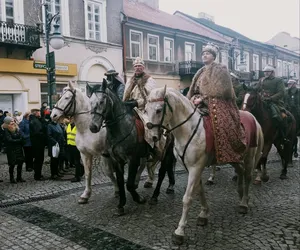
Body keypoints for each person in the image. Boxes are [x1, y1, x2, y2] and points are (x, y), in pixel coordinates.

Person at [187, 44, 246, 164]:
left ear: (213, 57)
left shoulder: (221, 69)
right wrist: (193, 98)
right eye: (203, 54)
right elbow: (194, 89)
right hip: (198, 100)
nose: (204, 55)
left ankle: (228, 150)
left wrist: (203, 99)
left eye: (207, 54)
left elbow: (221, 90)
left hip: (218, 101)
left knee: (222, 122)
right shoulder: (200, 71)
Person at [254, 65, 288, 141]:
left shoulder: (278, 80)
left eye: (267, 72)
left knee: (280, 116)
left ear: (272, 72)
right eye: (265, 72)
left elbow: (281, 92)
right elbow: (256, 89)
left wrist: (271, 98)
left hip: (275, 102)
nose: (266, 73)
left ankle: (282, 134)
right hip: (262, 101)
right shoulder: (261, 80)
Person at [2, 117, 25, 183]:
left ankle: (19, 177)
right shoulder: (6, 130)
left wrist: (19, 139)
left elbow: (21, 136)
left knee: (20, 163)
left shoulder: (17, 128)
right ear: (7, 123)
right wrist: (19, 140)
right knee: (12, 164)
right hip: (11, 150)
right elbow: (9, 140)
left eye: (13, 121)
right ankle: (11, 178)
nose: (13, 122)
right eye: (11, 121)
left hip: (19, 148)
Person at [29, 108, 47, 180]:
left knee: (39, 159)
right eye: (38, 112)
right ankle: (37, 175)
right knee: (39, 159)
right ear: (35, 113)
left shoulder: (36, 120)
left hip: (38, 143)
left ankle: (38, 174)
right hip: (38, 143)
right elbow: (38, 132)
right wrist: (44, 135)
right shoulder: (34, 121)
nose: (40, 113)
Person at [66, 117, 84, 182]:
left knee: (76, 162)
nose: (70, 120)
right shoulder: (68, 126)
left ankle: (77, 177)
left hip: (76, 146)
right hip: (69, 146)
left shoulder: (77, 127)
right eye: (70, 119)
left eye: (72, 119)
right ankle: (81, 169)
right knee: (72, 161)